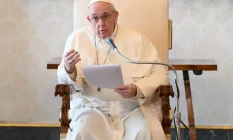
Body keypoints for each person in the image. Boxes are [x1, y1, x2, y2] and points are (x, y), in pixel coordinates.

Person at [57, 0, 169, 139]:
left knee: (145, 131)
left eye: (106, 16)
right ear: (88, 19)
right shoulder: (77, 39)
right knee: (82, 130)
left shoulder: (138, 40)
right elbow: (63, 75)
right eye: (95, 18)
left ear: (115, 16)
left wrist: (137, 88)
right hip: (92, 107)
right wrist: (69, 69)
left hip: (132, 108)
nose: (101, 23)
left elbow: (160, 74)